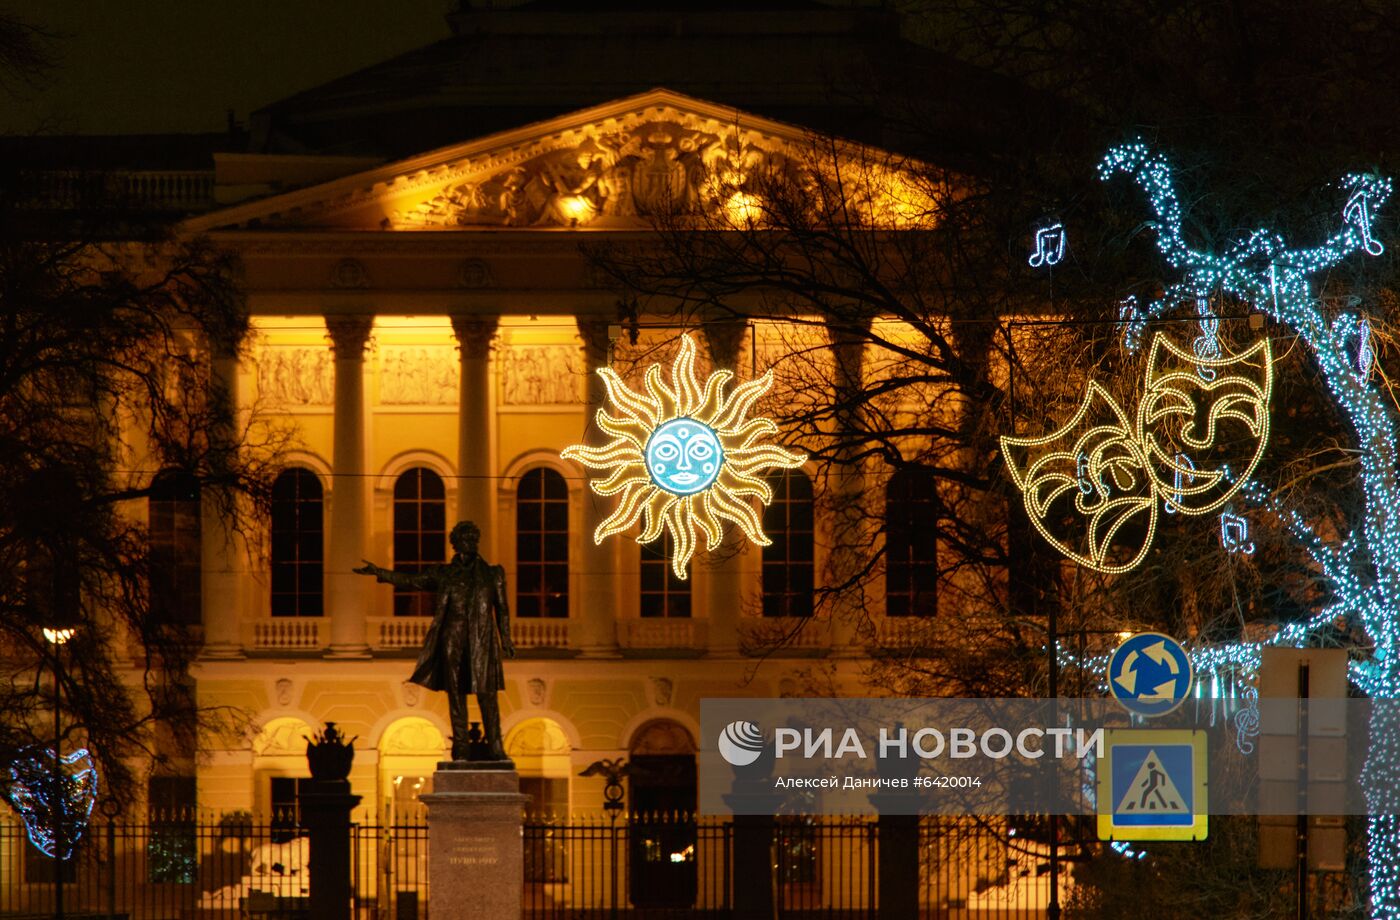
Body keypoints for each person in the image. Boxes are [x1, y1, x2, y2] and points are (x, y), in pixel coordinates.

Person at [354, 521, 515, 762]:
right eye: (465, 539)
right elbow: (411, 581)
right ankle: (461, 749)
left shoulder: (493, 574)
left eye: (473, 539)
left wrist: (507, 639)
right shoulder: (443, 573)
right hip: (453, 638)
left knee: (487, 694)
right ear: (456, 544)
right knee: (456, 695)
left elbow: (502, 608)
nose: (470, 543)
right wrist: (380, 573)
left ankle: (496, 747)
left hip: (482, 640)